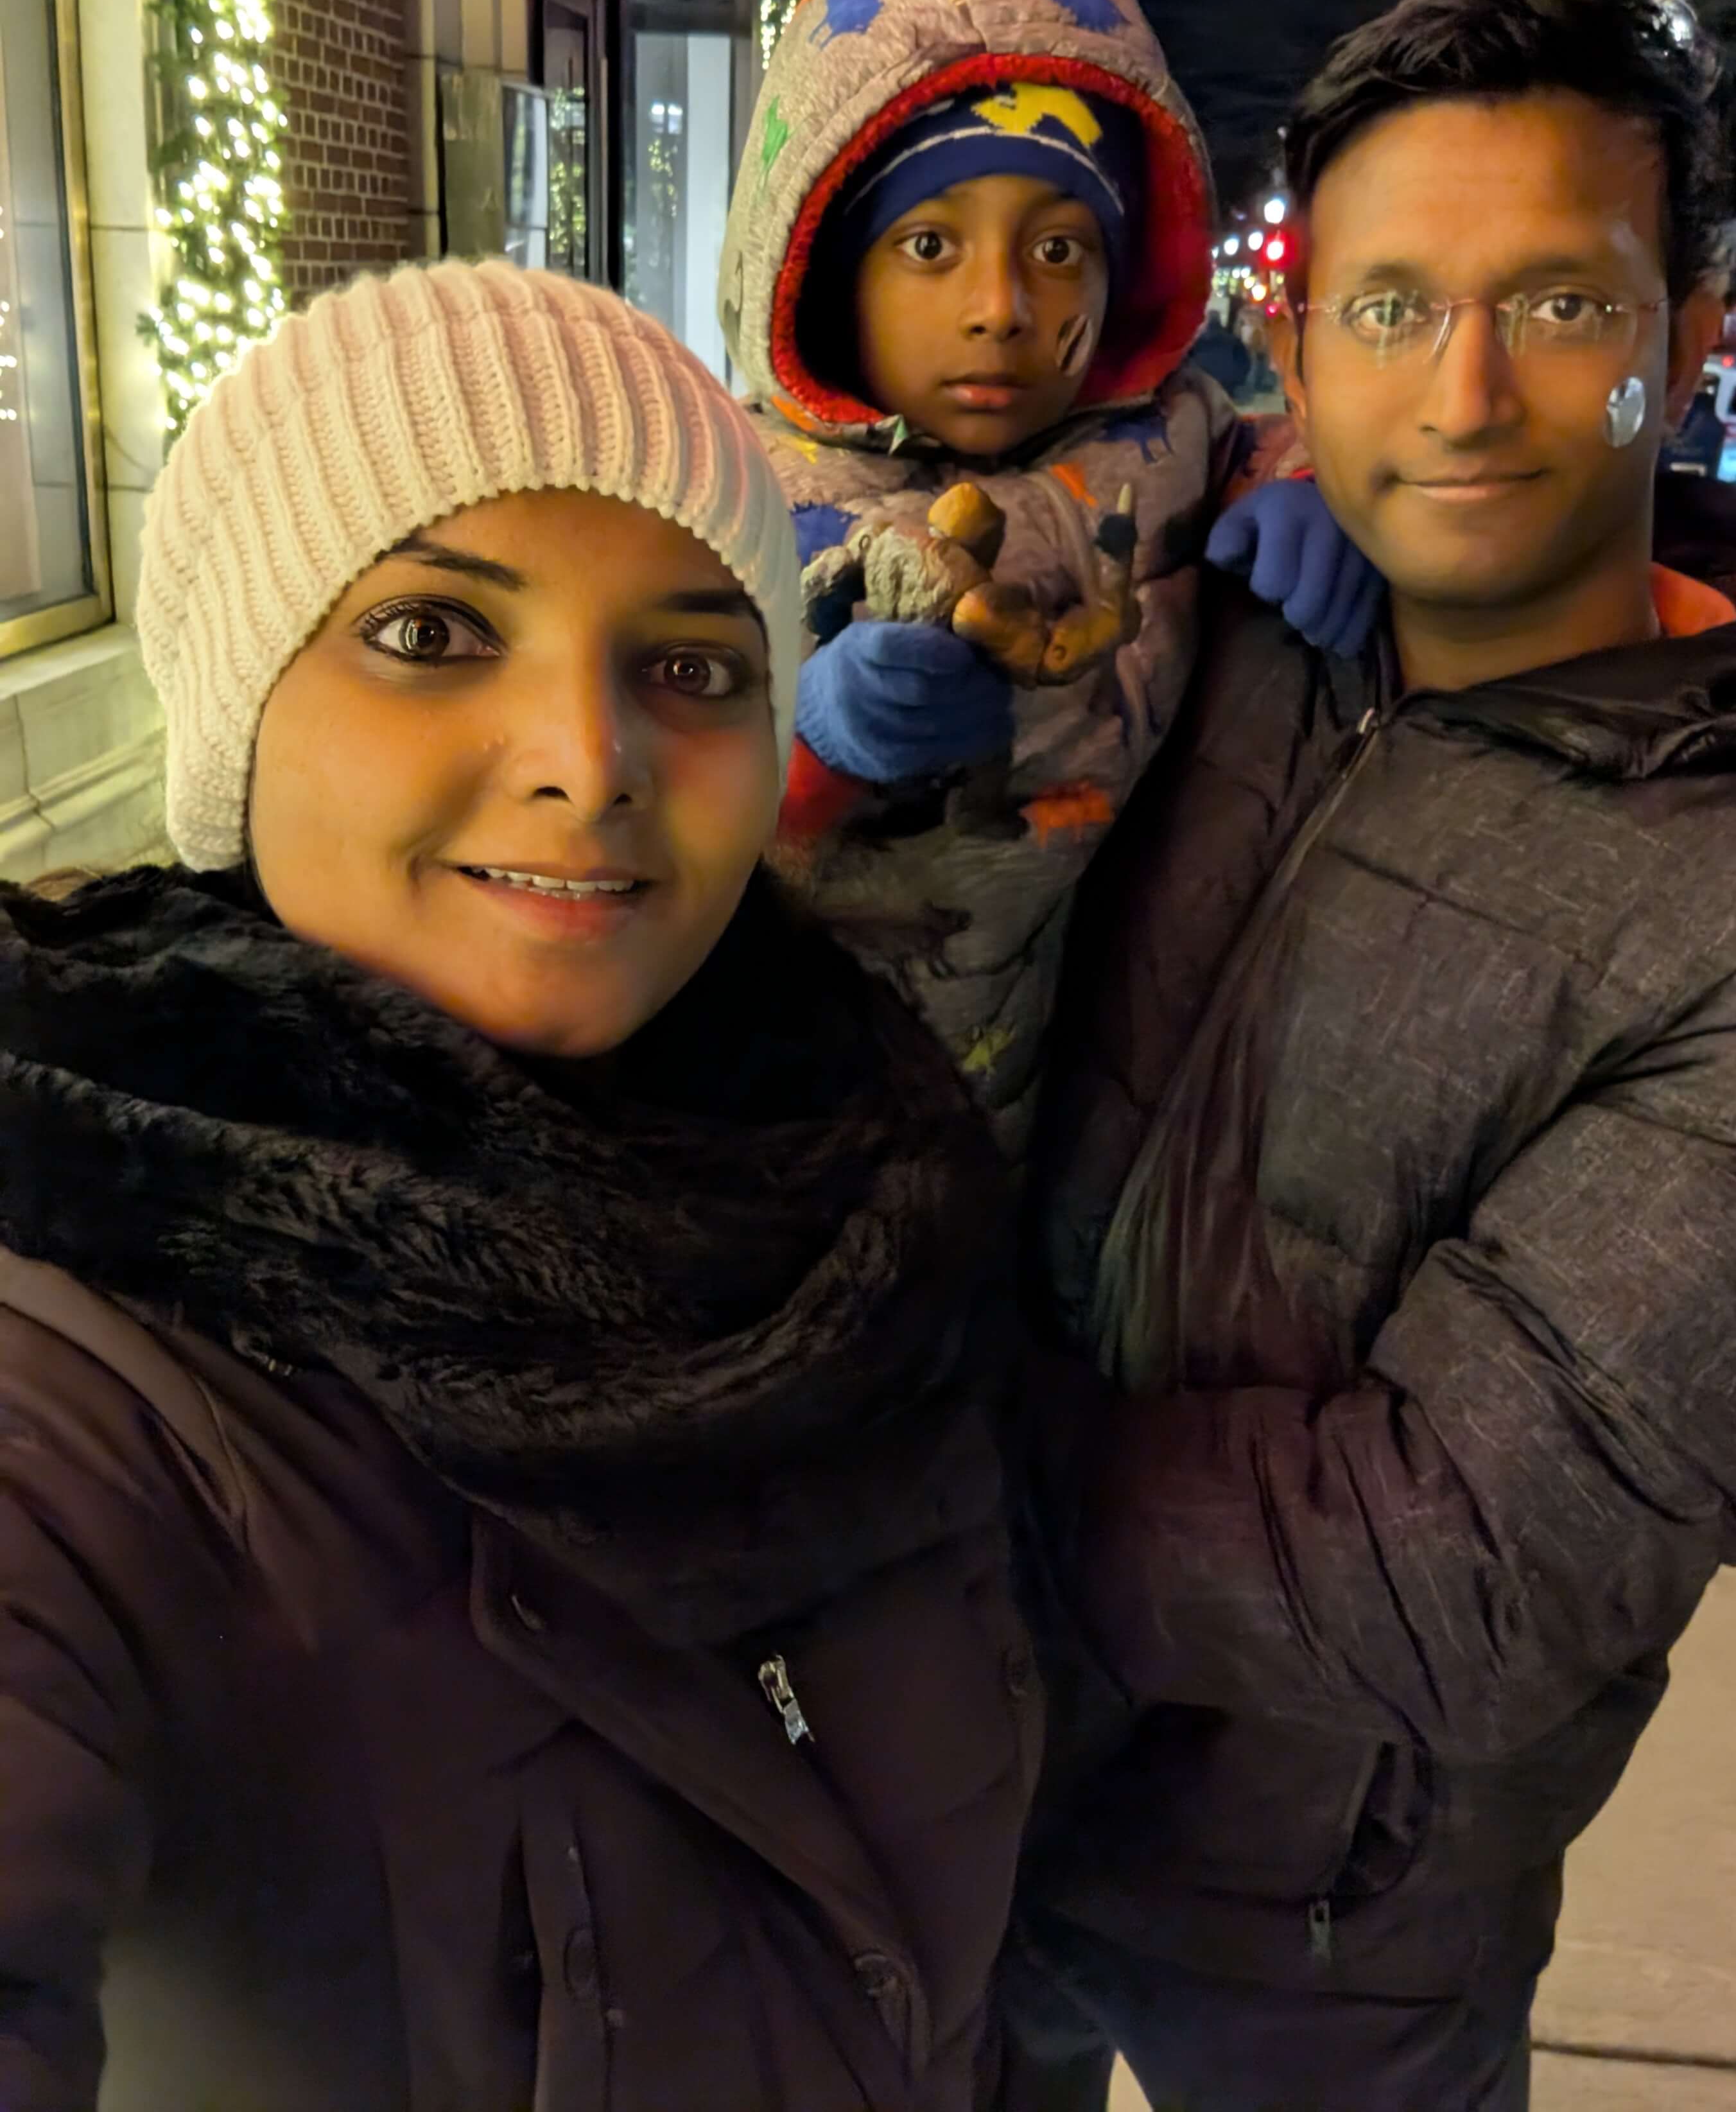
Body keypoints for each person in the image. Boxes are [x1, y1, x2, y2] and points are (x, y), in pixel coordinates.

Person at [0, 259, 1044, 2111]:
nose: (590, 761)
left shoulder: (868, 1192)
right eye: (430, 636)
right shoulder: (84, 1359)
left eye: (690, 666)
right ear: (242, 714)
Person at [1005, 0, 1736, 2109]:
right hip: (955, 1789)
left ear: (1683, 339)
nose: (1462, 391)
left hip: (1335, 1924)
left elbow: (1464, 1563)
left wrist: (900, 1464)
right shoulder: (1215, 636)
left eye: (1559, 304)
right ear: (1297, 348)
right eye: (1391, 308)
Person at [718, 0, 1369, 1154]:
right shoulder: (733, 489)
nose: (1003, 306)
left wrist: (1299, 488)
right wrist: (805, 743)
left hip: (1096, 1112)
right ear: (825, 260)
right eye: (928, 244)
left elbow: (1252, 440)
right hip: (809, 1113)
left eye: (1060, 247)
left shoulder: (1171, 431)